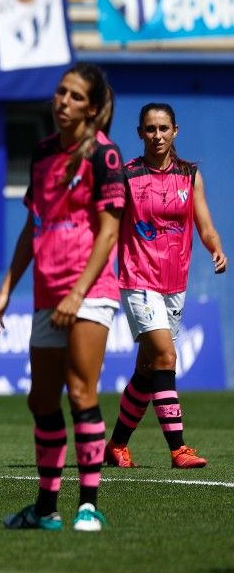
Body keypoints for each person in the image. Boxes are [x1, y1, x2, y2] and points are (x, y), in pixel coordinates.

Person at [0, 62, 122, 533]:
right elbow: (32, 225)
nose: (63, 101)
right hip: (48, 291)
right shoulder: (43, 153)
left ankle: (88, 504)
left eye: (75, 96)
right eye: (60, 93)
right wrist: (6, 289)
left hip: (91, 290)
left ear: (93, 107)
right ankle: (45, 509)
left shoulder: (104, 156)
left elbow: (109, 231)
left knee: (81, 391)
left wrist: (79, 292)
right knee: (41, 399)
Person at [106, 103, 225, 469]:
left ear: (176, 130)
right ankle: (179, 449)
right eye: (150, 129)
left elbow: (203, 223)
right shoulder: (125, 176)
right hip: (139, 279)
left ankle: (116, 446)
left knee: (147, 371)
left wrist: (215, 247)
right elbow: (108, 229)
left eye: (163, 128)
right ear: (139, 133)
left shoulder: (190, 175)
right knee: (167, 357)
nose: (157, 136)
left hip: (175, 283)